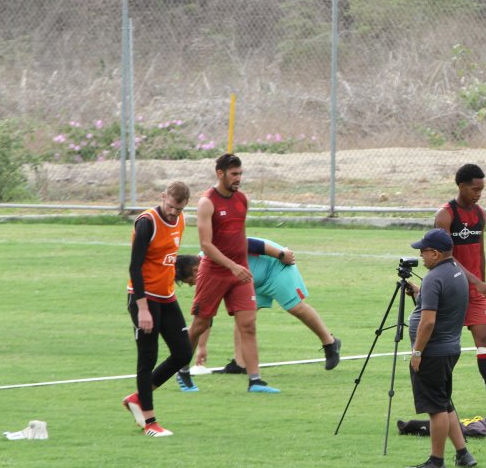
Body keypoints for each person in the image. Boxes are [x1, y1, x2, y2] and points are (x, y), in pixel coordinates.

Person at [184, 154, 277, 394]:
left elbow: (240, 237)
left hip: (240, 272)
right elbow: (206, 245)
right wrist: (232, 266)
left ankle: (255, 380)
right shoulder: (207, 202)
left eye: (240, 174)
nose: (238, 178)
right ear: (220, 173)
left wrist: (240, 266)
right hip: (214, 272)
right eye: (234, 174)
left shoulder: (242, 199)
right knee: (200, 324)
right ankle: (182, 370)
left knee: (248, 325)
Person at [187, 238, 341, 374]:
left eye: (189, 281)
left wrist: (281, 254)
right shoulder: (206, 267)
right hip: (252, 280)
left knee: (295, 307)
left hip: (275, 268)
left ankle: (330, 343)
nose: (191, 285)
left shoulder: (213, 252)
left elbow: (250, 243)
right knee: (242, 316)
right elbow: (205, 314)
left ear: (195, 270)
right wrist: (202, 347)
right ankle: (240, 364)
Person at [121, 181, 195, 438]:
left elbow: (168, 259)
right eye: (171, 206)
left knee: (183, 352)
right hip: (144, 298)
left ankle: (137, 398)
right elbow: (135, 267)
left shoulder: (181, 220)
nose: (174, 212)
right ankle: (150, 422)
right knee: (148, 357)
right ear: (163, 197)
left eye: (179, 208)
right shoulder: (147, 223)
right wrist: (142, 308)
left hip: (167, 298)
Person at [405, 229, 476, 468]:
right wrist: (419, 293)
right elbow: (444, 303)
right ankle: (463, 453)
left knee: (436, 408)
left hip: (433, 352)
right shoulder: (455, 271)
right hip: (450, 348)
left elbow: (428, 322)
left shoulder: (434, 278)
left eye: (423, 251)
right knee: (445, 403)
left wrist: (417, 352)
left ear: (435, 253)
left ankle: (436, 461)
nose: (421, 256)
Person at [434, 164, 486, 409]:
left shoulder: (480, 213)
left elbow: (480, 251)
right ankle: (441, 403)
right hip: (451, 290)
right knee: (447, 346)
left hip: (475, 291)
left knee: (485, 339)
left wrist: (481, 282)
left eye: (481, 189)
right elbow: (445, 258)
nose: (479, 194)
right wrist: (476, 281)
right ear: (461, 186)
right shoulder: (445, 216)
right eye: (475, 189)